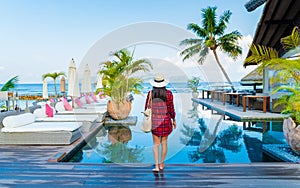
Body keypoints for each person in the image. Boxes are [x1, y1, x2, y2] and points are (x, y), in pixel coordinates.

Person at [144, 74, 176, 172]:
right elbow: (171, 109)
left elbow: (146, 108)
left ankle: (157, 166)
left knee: (156, 144)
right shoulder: (169, 94)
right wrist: (174, 119)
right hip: (166, 120)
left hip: (154, 121)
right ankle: (162, 163)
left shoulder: (150, 94)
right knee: (164, 143)